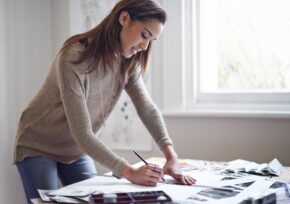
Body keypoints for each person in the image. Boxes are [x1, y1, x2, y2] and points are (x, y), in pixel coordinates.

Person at [13, 0, 196, 202]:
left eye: (151, 40)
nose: (145, 46)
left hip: (76, 149)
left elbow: (148, 110)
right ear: (124, 18)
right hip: (39, 143)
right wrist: (129, 171)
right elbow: (82, 133)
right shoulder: (73, 58)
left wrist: (171, 157)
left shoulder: (128, 64)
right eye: (144, 34)